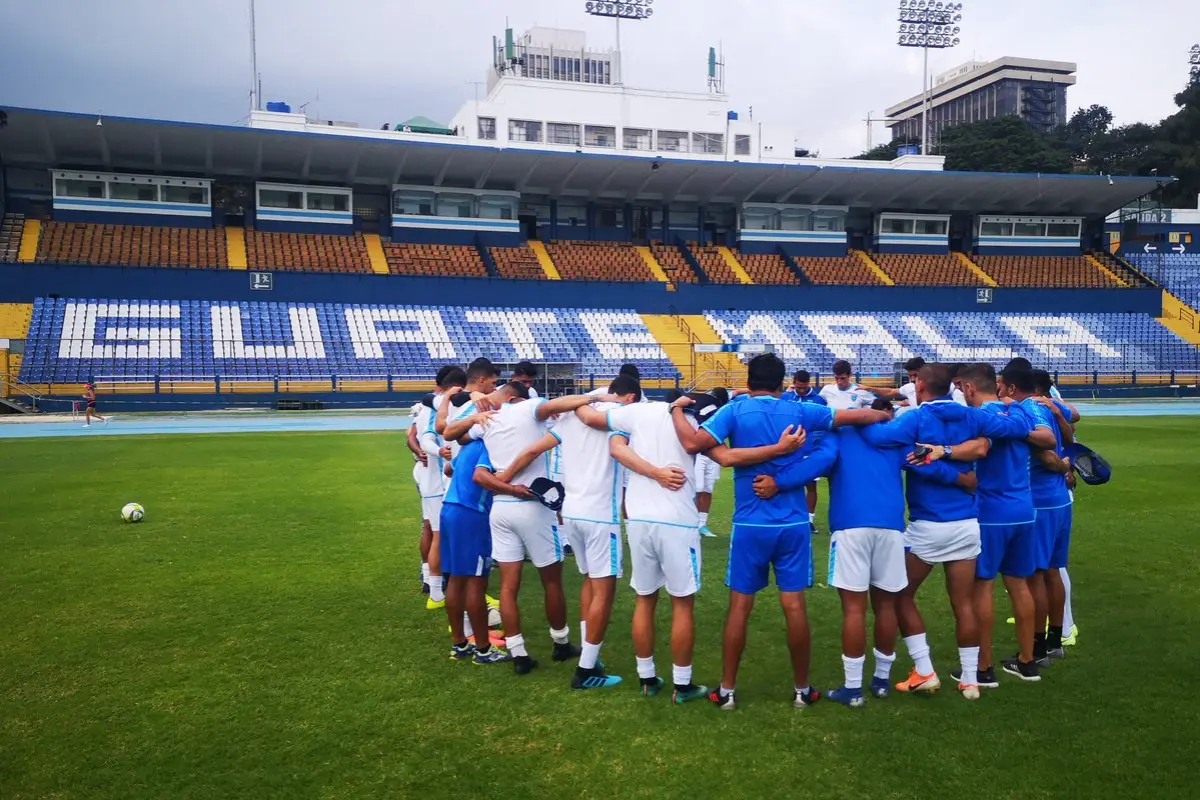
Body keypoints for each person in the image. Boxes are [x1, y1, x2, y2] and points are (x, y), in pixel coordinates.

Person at [670, 354, 891, 711]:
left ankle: (726, 690)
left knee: (739, 607)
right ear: (781, 382)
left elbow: (694, 444)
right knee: (794, 606)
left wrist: (676, 411)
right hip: (792, 522)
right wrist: (884, 415)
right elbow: (857, 416)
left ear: (749, 380)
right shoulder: (799, 410)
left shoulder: (736, 411)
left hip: (750, 523)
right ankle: (802, 690)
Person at [754, 397, 971, 707]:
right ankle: (881, 682)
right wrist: (964, 479)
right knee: (886, 606)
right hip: (891, 528)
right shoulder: (894, 439)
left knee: (854, 610)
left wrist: (778, 482)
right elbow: (925, 464)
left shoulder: (839, 436)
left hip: (851, 527)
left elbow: (816, 463)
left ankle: (853, 689)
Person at [584, 389, 799, 704]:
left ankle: (647, 678)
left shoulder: (637, 412)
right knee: (682, 603)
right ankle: (681, 685)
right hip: (677, 520)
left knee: (645, 599)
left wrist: (584, 399)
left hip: (639, 517)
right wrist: (779, 449)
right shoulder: (696, 424)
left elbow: (599, 428)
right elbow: (727, 458)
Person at [857, 363, 1032, 700]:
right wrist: (1012, 408)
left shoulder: (916, 418)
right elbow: (1016, 428)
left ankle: (924, 670)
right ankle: (969, 680)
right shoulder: (972, 416)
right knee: (963, 604)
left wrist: (873, 416)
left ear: (919, 385)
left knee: (899, 595)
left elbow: (875, 437)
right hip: (967, 523)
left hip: (928, 524)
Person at [498, 374, 645, 690]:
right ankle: (586, 668)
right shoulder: (618, 416)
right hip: (600, 514)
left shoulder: (570, 417)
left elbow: (530, 452)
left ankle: (590, 656)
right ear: (629, 397)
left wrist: (505, 481)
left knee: (590, 582)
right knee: (603, 589)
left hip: (571, 513)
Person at [472, 381, 617, 674]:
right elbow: (557, 405)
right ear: (519, 397)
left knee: (509, 586)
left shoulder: (487, 421)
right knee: (551, 580)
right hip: (532, 504)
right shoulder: (528, 408)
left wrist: (476, 404)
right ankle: (561, 642)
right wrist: (598, 396)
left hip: (500, 505)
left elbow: (454, 433)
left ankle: (518, 652)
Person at [957, 363, 1056, 684]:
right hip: (1024, 509)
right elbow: (1045, 438)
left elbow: (976, 457)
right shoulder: (1019, 413)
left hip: (992, 512)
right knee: (1020, 585)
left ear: (971, 388)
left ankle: (984, 668)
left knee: (983, 586)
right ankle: (1027, 661)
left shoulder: (979, 418)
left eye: (961, 388)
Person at [998, 366, 1073, 667]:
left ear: (1013, 387)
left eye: (1002, 385)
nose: (1000, 390)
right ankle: (1055, 640)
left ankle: (1036, 648)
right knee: (1053, 570)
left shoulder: (1027, 411)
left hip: (1039, 501)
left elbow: (1045, 448)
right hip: (1059, 500)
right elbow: (1069, 430)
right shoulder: (1045, 404)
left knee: (1035, 576)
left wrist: (1057, 465)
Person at [440, 426, 528, 665]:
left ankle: (459, 644)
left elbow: (449, 469)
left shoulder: (471, 446)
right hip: (471, 515)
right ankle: (483, 649)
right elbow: (479, 476)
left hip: (449, 509)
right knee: (476, 582)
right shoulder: (490, 447)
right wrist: (514, 490)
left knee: (456, 579)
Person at [415, 366, 465, 609]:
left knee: (433, 529)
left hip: (432, 480)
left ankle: (432, 580)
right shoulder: (436, 406)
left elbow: (413, 434)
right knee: (439, 534)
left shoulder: (431, 404)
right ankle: (436, 592)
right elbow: (424, 437)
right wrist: (439, 451)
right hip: (437, 482)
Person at [781, 370, 827, 531]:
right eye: (798, 387)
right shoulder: (785, 397)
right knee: (787, 482)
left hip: (809, 448)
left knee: (810, 484)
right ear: (794, 382)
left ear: (809, 384)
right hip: (788, 450)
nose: (800, 390)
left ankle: (809, 519)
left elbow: (823, 424)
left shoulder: (819, 400)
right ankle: (787, 516)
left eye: (803, 387)